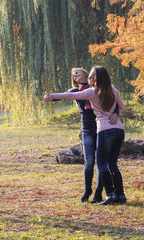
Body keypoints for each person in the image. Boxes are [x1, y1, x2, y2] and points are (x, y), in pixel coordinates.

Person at [45, 66, 126, 205]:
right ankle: (121, 195)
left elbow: (72, 95)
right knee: (112, 163)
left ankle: (111, 195)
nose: (89, 79)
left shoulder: (92, 92)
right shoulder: (113, 89)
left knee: (101, 163)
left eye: (91, 77)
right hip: (119, 130)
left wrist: (52, 96)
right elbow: (121, 105)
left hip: (104, 131)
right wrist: (115, 113)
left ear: (96, 79)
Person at [67, 68, 119, 203]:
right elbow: (65, 95)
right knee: (89, 162)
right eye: (73, 74)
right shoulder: (76, 91)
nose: (75, 75)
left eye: (77, 72)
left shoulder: (99, 89)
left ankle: (98, 192)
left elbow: (114, 100)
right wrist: (51, 97)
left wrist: (116, 112)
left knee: (101, 162)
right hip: (88, 129)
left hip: (102, 128)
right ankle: (87, 190)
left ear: (85, 74)